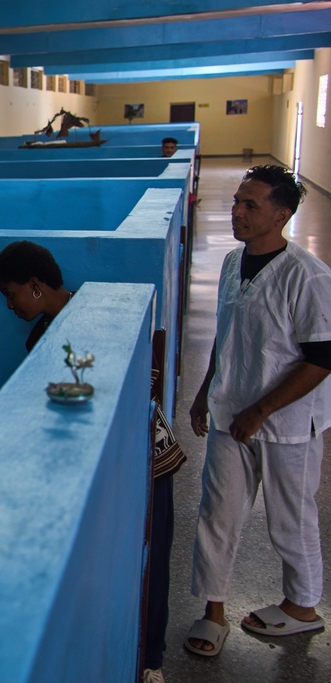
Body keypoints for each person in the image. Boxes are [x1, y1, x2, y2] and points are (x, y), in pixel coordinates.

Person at [0, 240, 186, 683]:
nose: (8, 305)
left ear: (36, 286)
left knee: (150, 564)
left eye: (11, 292)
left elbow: (125, 391)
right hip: (96, 471)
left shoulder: (101, 315)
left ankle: (151, 661)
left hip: (144, 460)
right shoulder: (42, 336)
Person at [184, 164, 331, 658]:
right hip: (231, 413)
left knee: (291, 518)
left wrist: (262, 410)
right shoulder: (230, 263)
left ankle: (303, 607)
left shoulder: (307, 276)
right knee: (217, 514)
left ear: (282, 215)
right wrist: (206, 391)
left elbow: (322, 359)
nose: (238, 212)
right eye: (237, 202)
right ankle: (213, 612)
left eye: (251, 205)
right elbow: (227, 337)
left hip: (288, 423)